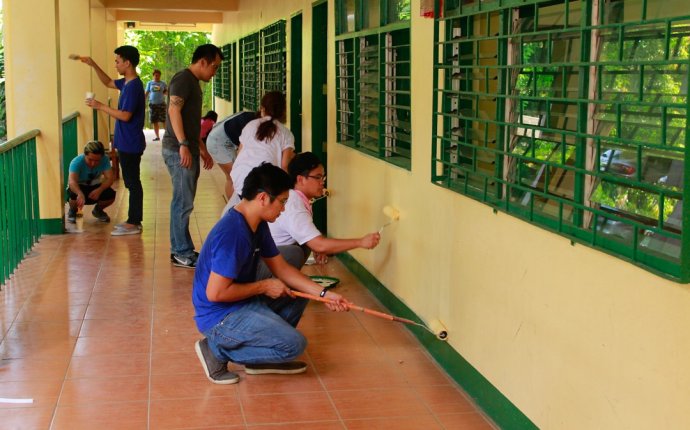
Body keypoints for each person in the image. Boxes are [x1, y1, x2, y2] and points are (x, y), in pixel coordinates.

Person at [192, 163, 351, 385]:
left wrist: (324, 295)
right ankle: (215, 348)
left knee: (296, 292)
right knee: (294, 345)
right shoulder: (233, 234)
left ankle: (258, 356)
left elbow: (282, 268)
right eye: (282, 202)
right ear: (263, 198)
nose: (284, 209)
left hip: (241, 303)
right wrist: (264, 286)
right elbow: (216, 294)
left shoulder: (257, 222)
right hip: (219, 317)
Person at [163, 43, 223, 268]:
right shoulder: (183, 80)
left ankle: (183, 248)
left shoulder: (193, 83)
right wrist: (182, 145)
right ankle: (180, 251)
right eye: (214, 67)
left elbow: (189, 122)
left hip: (187, 147)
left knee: (184, 201)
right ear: (203, 62)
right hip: (177, 149)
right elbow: (173, 110)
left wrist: (202, 148)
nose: (214, 72)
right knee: (182, 201)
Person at [269, 152, 381, 265]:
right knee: (295, 253)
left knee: (307, 244)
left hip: (273, 252)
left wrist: (316, 247)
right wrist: (360, 242)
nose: (322, 182)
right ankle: (279, 281)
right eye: (317, 177)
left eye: (323, 177)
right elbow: (320, 245)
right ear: (300, 180)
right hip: (263, 259)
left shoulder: (296, 197)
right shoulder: (294, 205)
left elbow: (316, 243)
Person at [81, 45, 146, 236]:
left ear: (128, 63)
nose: (115, 64)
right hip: (125, 142)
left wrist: (100, 106)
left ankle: (134, 222)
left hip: (131, 143)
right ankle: (133, 220)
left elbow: (125, 116)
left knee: (133, 183)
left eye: (118, 61)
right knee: (131, 182)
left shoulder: (134, 87)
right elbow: (108, 82)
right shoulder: (126, 83)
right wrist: (93, 64)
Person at [223, 91, 295, 211]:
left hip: (240, 178)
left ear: (263, 109)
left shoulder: (251, 125)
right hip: (263, 185)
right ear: (283, 111)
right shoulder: (286, 133)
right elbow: (285, 165)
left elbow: (240, 152)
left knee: (242, 208)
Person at [205, 110, 258, 200]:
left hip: (221, 140)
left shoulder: (252, 116)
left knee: (234, 176)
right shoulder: (252, 122)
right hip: (217, 142)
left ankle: (235, 207)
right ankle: (232, 208)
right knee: (233, 177)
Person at [66, 141, 116, 225]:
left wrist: (100, 190)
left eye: (97, 161)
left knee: (110, 194)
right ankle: (72, 210)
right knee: (72, 193)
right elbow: (72, 181)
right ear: (85, 155)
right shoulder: (76, 162)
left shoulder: (105, 160)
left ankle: (98, 210)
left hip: (95, 186)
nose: (93, 163)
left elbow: (110, 179)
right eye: (90, 159)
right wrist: (79, 193)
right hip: (79, 187)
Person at [145, 69, 168, 141]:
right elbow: (146, 93)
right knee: (154, 121)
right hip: (153, 104)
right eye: (155, 75)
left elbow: (166, 92)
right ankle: (157, 137)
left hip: (161, 104)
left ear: (160, 76)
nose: (157, 77)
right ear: (153, 75)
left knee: (164, 120)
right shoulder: (149, 83)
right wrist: (143, 101)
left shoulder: (163, 83)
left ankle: (168, 136)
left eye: (158, 75)